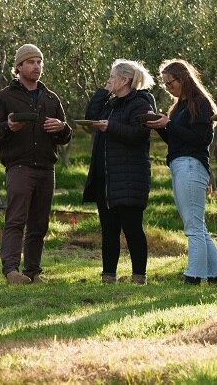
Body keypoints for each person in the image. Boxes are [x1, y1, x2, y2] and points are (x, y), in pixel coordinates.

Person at [0, 43, 73, 285]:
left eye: (40, 62)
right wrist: (8, 127)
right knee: (16, 219)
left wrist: (62, 128)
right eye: (32, 62)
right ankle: (12, 271)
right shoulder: (4, 98)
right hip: (20, 168)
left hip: (46, 168)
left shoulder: (50, 98)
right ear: (19, 67)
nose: (37, 67)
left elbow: (65, 136)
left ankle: (33, 272)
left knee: (39, 223)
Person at [146, 59, 217, 285]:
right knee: (197, 224)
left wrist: (169, 125)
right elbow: (176, 139)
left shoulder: (200, 104)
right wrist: (161, 126)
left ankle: (194, 276)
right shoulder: (180, 105)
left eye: (170, 83)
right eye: (165, 85)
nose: (168, 88)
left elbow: (199, 139)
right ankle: (214, 274)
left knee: (193, 226)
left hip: (192, 164)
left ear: (183, 79)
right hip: (181, 163)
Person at [82, 59, 156, 285]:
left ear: (124, 80)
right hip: (107, 177)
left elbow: (139, 134)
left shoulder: (141, 103)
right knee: (109, 229)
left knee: (132, 228)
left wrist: (110, 127)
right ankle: (108, 276)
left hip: (130, 176)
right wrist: (104, 91)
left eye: (112, 77)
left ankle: (139, 276)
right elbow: (91, 116)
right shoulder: (110, 104)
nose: (109, 81)